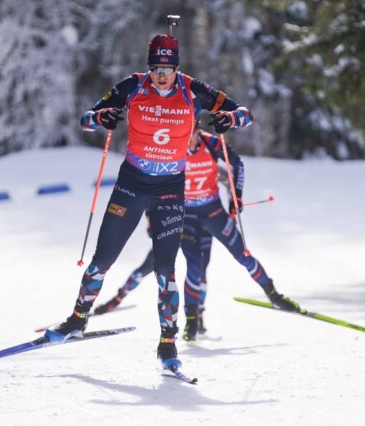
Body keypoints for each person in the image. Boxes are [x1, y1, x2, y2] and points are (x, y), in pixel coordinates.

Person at [45, 33, 253, 371]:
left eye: (167, 69)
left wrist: (230, 119)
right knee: (102, 259)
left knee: (166, 269)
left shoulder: (194, 90)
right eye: (155, 68)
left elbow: (244, 114)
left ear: (177, 67)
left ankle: (167, 344)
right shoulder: (133, 85)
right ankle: (77, 320)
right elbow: (86, 119)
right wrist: (101, 118)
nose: (160, 76)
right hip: (131, 184)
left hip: (170, 189)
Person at [93, 122, 300, 341]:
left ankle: (273, 295)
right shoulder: (172, 147)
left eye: (190, 134)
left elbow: (234, 168)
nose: (186, 140)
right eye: (182, 134)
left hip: (213, 213)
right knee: (183, 263)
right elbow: (152, 185)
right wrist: (150, 220)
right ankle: (185, 317)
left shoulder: (211, 144)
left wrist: (235, 197)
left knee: (241, 256)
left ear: (198, 131)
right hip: (183, 217)